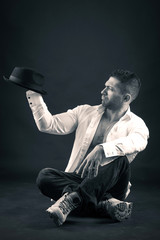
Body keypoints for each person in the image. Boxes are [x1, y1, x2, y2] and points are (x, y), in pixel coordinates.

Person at [26, 69, 149, 226]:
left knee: (121, 160)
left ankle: (71, 199)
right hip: (79, 178)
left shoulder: (137, 124)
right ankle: (105, 204)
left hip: (112, 186)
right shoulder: (84, 111)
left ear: (126, 98)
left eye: (110, 89)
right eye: (105, 86)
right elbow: (48, 125)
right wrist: (33, 93)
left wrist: (102, 149)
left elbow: (138, 141)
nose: (102, 91)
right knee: (44, 176)